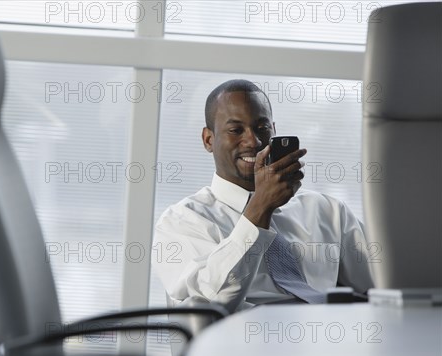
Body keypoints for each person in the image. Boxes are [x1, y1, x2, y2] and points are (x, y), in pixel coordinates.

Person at [153, 79, 374, 313]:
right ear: (209, 140)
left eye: (262, 128)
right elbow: (213, 301)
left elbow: (385, 285)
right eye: (236, 130)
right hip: (248, 344)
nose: (253, 141)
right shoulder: (182, 221)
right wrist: (260, 208)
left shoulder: (327, 211)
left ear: (274, 131)